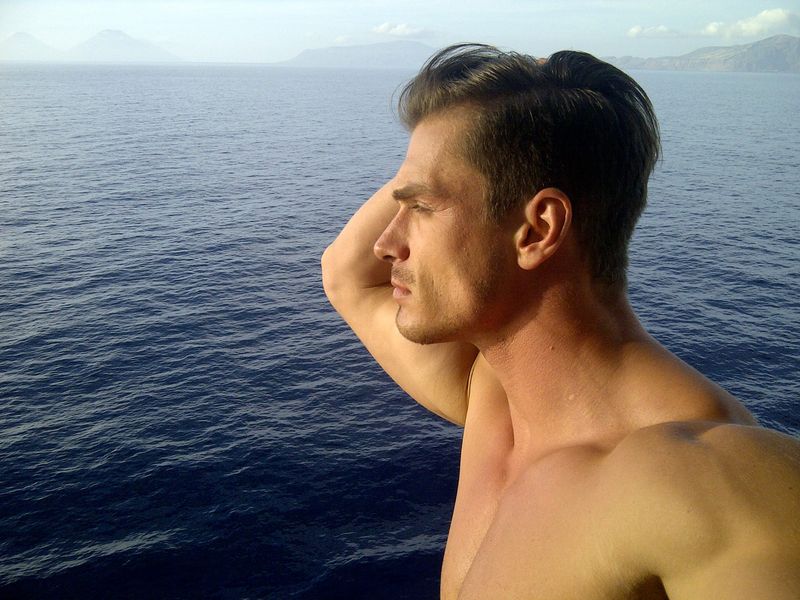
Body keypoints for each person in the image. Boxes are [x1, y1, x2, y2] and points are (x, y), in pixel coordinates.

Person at [320, 44, 800, 599]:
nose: (386, 243)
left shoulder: (708, 481)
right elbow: (345, 274)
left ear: (537, 230)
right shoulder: (497, 400)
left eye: (422, 208)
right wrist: (455, 153)